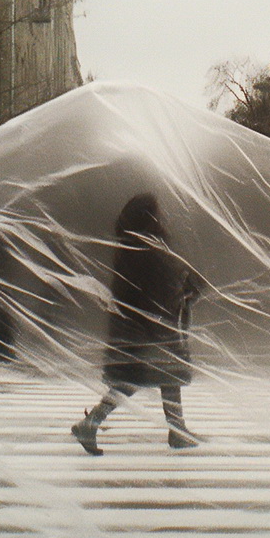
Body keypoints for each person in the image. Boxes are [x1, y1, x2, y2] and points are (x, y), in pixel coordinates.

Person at [71, 192, 201, 455]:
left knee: (159, 377)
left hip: (142, 327)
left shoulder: (131, 245)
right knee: (139, 380)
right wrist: (184, 289)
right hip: (149, 328)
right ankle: (92, 423)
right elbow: (158, 286)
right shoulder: (145, 247)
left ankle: (177, 430)